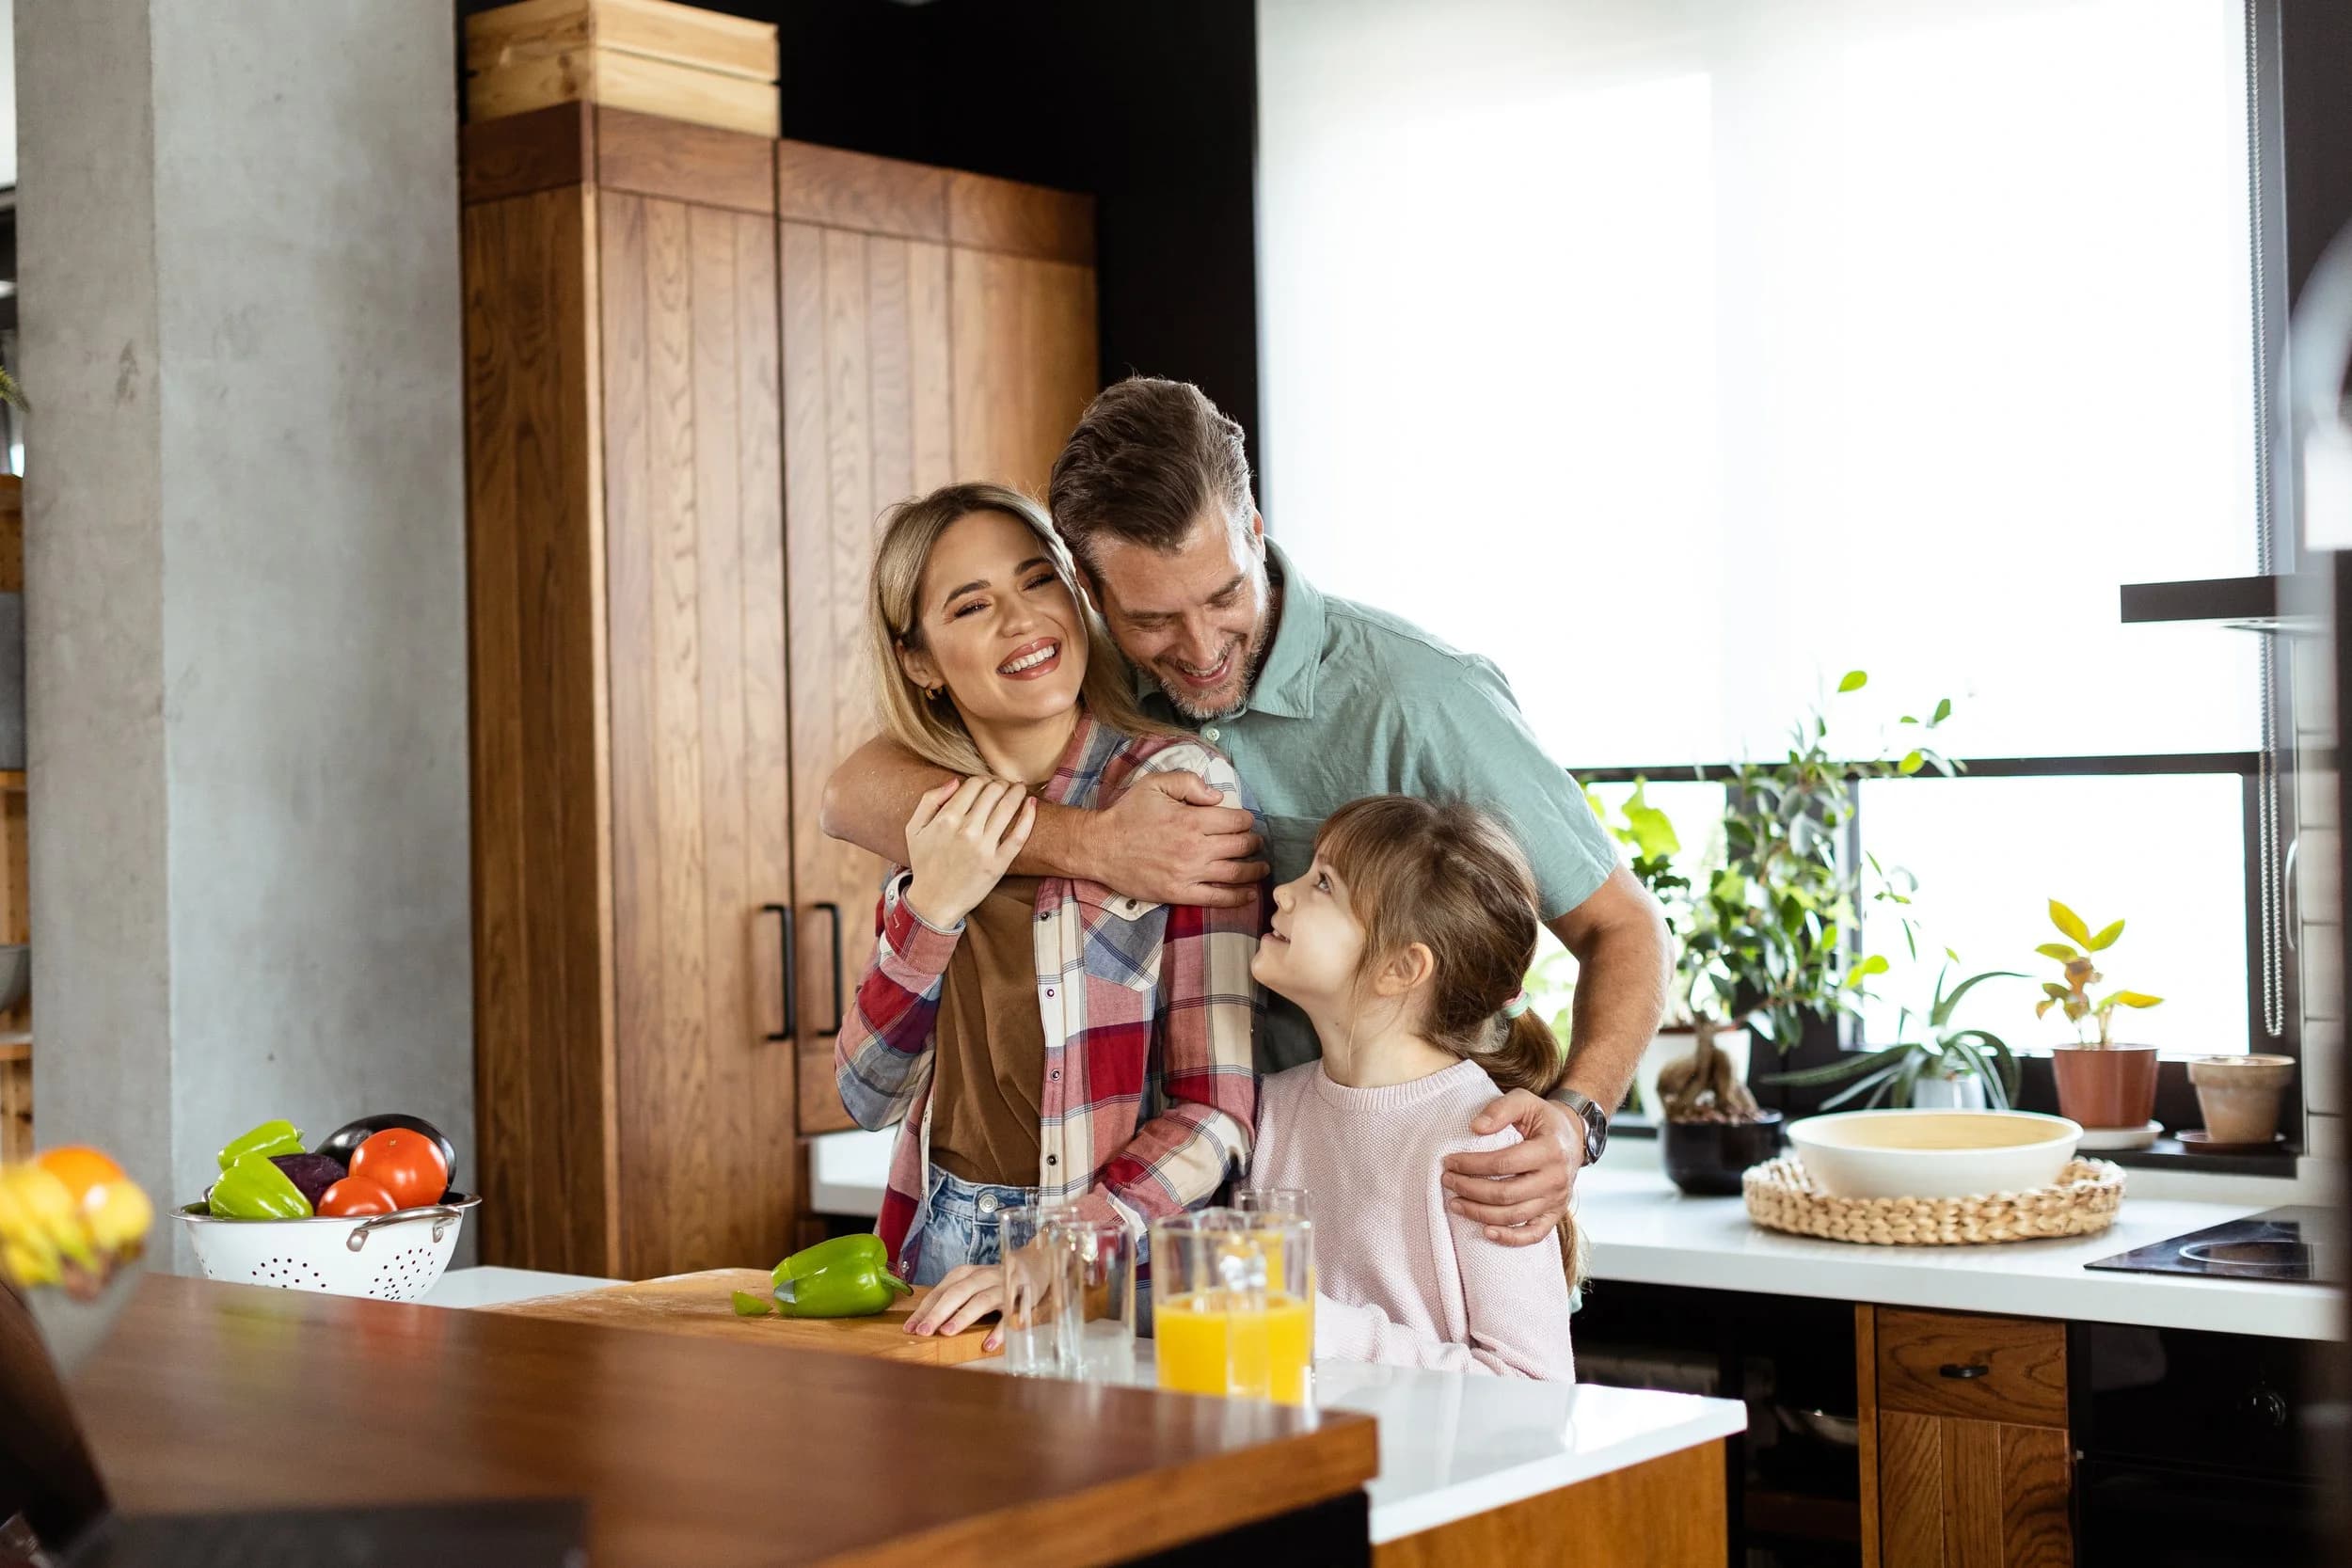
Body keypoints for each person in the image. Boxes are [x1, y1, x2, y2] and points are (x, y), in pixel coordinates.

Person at [825, 379, 1669, 1246]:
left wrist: (1577, 1116)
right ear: (1092, 591)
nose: (1196, 650)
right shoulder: (1078, 672)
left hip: (1411, 1188)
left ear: (1255, 531)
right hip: (1209, 1215)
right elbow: (851, 793)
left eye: (1225, 595)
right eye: (1152, 618)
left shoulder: (1421, 697)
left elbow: (1625, 925)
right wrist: (1096, 845)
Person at [825, 482, 1258, 1345]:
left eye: (1037, 580)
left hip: (1111, 1256)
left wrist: (1063, 1247)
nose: (1022, 621)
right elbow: (865, 1092)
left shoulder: (1176, 787)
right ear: (919, 660)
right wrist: (933, 906)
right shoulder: (928, 819)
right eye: (972, 604)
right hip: (937, 1239)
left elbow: (1218, 1110)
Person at [1246, 796, 1582, 1379]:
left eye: (1324, 883)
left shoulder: (1482, 1142)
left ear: (1401, 968)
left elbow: (1537, 1388)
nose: (1284, 891)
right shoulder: (1267, 1109)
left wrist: (1323, 1331)